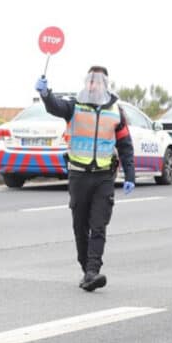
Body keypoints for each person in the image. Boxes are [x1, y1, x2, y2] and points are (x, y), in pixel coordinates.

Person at [35, 66, 135, 292]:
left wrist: (130, 174)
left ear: (105, 84)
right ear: (86, 83)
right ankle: (85, 268)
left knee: (98, 226)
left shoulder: (115, 111)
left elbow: (125, 145)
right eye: (91, 81)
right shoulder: (74, 106)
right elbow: (55, 106)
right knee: (80, 226)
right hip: (79, 175)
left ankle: (93, 270)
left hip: (103, 177)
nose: (94, 85)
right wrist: (45, 93)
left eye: (98, 82)